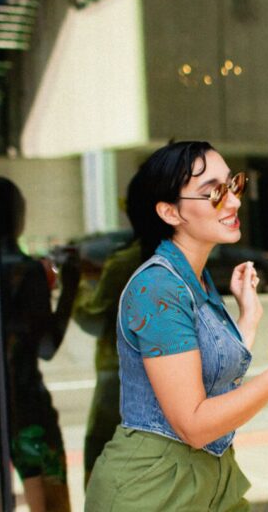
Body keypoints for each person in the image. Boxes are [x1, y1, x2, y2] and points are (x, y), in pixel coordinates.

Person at [84, 141, 268, 511]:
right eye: (213, 193)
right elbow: (195, 425)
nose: (233, 201)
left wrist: (247, 319)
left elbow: (212, 378)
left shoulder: (194, 279)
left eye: (232, 185)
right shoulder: (158, 287)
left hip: (209, 476)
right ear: (170, 212)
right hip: (151, 487)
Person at [0, 177, 78, 511]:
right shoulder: (26, 271)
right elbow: (46, 346)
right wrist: (68, 287)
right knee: (48, 493)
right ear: (19, 213)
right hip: (24, 402)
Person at [72, 170, 149, 486]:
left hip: (118, 376)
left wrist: (76, 285)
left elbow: (93, 315)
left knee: (104, 461)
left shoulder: (125, 262)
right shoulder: (180, 257)